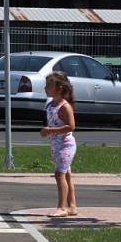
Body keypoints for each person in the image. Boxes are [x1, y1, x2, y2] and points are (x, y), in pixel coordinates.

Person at [40, 71, 77, 217]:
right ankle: (72, 206)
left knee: (59, 174)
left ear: (60, 88)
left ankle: (62, 207)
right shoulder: (50, 105)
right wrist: (48, 131)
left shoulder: (64, 106)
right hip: (56, 146)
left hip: (65, 146)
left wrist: (50, 130)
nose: (45, 87)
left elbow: (71, 126)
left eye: (49, 85)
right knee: (66, 175)